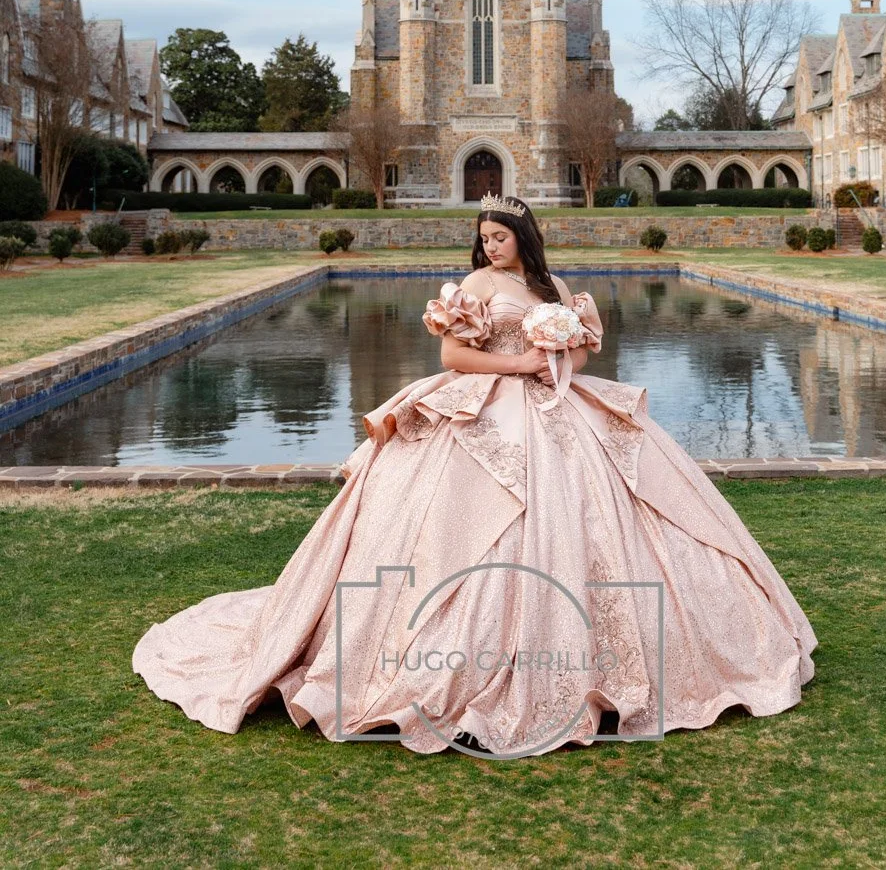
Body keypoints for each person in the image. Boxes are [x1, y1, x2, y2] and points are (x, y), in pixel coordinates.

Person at [133, 195, 816, 757]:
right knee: (462, 522)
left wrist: (560, 360)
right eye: (484, 237)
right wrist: (521, 365)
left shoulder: (553, 289)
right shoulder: (475, 288)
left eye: (501, 237)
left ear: (524, 238)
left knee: (612, 509)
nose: (491, 247)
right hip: (491, 406)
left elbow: (577, 352)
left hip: (560, 410)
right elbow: (455, 354)